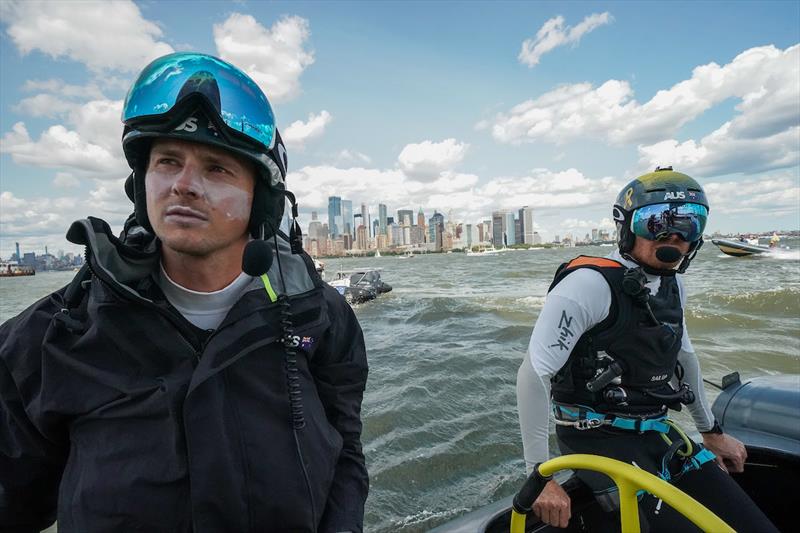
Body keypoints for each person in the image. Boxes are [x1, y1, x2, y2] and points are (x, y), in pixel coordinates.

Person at [0, 52, 368, 532]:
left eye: (217, 169)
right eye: (168, 161)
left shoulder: (321, 318)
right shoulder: (58, 333)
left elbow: (346, 452)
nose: (184, 185)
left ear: (263, 200)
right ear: (141, 183)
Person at [516, 167, 778, 531]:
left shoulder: (672, 285)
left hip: (657, 431)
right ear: (626, 227)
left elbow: (683, 357)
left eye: (689, 224)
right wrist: (539, 475)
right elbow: (535, 373)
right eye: (655, 223)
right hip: (598, 440)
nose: (673, 236)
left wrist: (711, 431)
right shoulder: (587, 285)